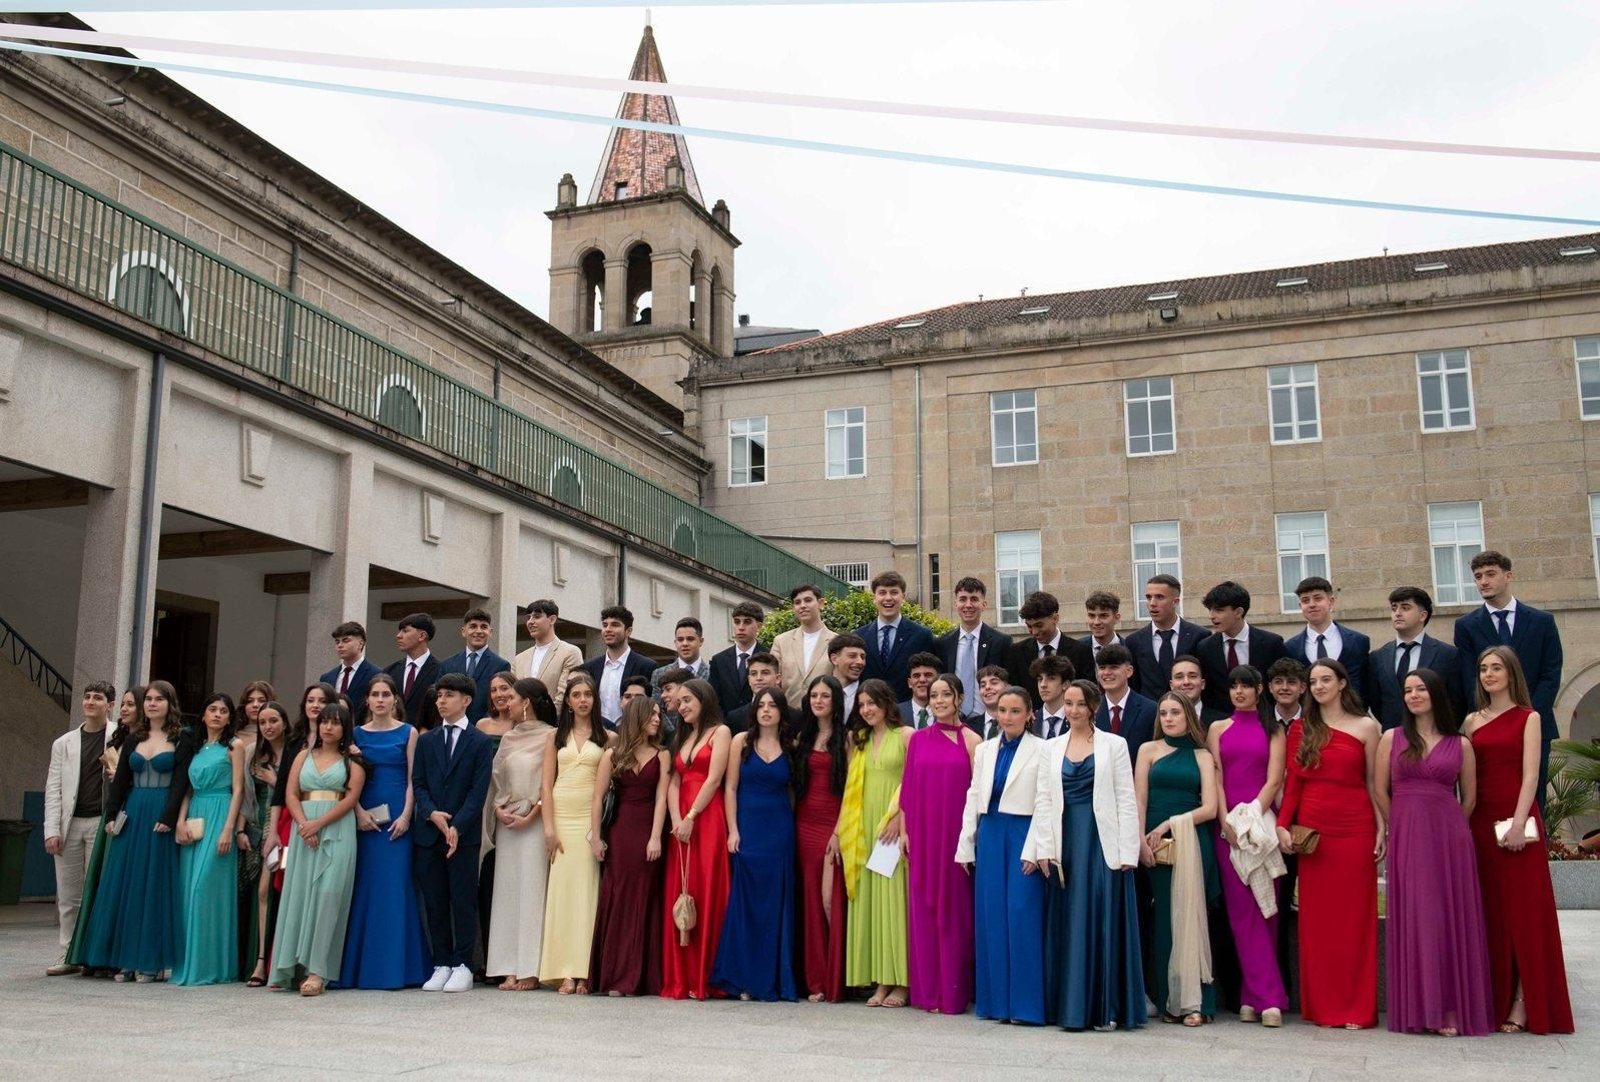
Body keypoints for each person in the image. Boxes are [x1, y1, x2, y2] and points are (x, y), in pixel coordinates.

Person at [1376, 667, 1493, 1037]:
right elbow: (1379, 790)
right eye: (1408, 690)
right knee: (1416, 916)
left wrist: (1450, 832)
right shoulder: (1390, 738)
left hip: (1449, 839)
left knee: (1447, 918)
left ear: (1436, 694)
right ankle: (1420, 1008)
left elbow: (1470, 799)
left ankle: (1449, 1007)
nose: (1413, 696)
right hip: (1407, 833)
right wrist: (1398, 825)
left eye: (1421, 689)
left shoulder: (1461, 744)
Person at [1463, 646, 1573, 1034]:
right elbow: (1467, 778)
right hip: (1480, 822)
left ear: (1511, 673)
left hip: (1519, 820)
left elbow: (1531, 776)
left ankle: (1524, 1001)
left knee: (1527, 914)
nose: (1489, 674)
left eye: (1496, 668)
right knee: (1491, 912)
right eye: (1483, 669)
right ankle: (1493, 996)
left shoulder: (1530, 718)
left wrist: (1518, 822)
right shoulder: (1471, 721)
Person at [1027, 678, 1144, 1032]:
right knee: (1070, 922)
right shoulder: (1050, 748)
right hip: (1066, 843)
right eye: (1069, 703)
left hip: (1102, 842)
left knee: (1102, 918)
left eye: (1081, 703)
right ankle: (1071, 1008)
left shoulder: (1115, 745)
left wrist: (1129, 851)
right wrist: (1044, 848)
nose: (1074, 710)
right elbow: (1044, 800)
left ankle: (1105, 1008)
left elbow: (1126, 797)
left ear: (1094, 707)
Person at [1275, 658, 1381, 1030]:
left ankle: (1356, 1007)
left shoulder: (1367, 727)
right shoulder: (1302, 728)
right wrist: (1282, 824)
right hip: (1314, 833)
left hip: (1356, 828)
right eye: (1313, 681)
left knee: (1355, 920)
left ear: (1341, 683)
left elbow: (1373, 782)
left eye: (1325, 680)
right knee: (1318, 924)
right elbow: (1294, 783)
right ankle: (1323, 1006)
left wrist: (1383, 827)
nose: (1318, 686)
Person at [82, 681, 191, 982]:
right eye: (149, 699)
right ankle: (126, 961)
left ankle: (149, 961)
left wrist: (169, 816)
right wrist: (113, 814)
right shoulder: (134, 738)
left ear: (171, 703)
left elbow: (182, 782)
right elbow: (120, 782)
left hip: (160, 812)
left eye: (159, 699)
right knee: (127, 884)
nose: (152, 704)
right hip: (133, 811)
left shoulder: (183, 737)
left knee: (153, 885)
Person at [957, 684, 1046, 1025]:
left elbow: (1046, 802)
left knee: (1022, 915)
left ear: (1029, 715)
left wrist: (1037, 848)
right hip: (991, 835)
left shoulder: (1043, 749)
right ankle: (995, 1003)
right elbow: (974, 795)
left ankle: (1026, 1006)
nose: (1006, 717)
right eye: (1002, 711)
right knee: (992, 917)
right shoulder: (985, 750)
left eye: (1015, 711)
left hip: (1024, 832)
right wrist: (966, 845)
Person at [1205, 666, 1288, 1028]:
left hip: (1262, 827)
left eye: (1246, 686)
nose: (1239, 692)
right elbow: (1216, 777)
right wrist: (1226, 823)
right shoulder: (1218, 729)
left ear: (1259, 690)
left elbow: (1274, 780)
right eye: (1233, 685)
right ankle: (1267, 998)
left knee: (1266, 909)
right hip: (1228, 832)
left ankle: (1255, 997)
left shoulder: (1275, 729)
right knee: (1241, 914)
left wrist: (1251, 818)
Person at [268, 702, 366, 995]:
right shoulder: (302, 756)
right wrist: (303, 825)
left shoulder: (354, 763)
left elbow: (350, 799)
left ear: (344, 728)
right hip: (303, 832)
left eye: (336, 723)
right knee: (297, 895)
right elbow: (290, 793)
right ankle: (287, 967)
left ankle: (318, 972)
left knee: (328, 899)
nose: (328, 727)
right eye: (325, 721)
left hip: (336, 830)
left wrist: (318, 824)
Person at [1454, 552, 1564, 811]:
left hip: (1535, 723)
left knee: (1532, 799)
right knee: (1489, 797)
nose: (1483, 581)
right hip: (1487, 730)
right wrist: (1490, 719)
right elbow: (1470, 678)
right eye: (1478, 577)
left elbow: (1551, 674)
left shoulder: (1542, 621)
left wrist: (1525, 718)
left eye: (1490, 574)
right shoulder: (1466, 626)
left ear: (1508, 576)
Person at [340, 673, 428, 990]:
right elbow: (346, 780)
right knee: (364, 888)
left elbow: (412, 780)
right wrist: (357, 811)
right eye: (374, 694)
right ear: (367, 700)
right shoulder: (356, 735)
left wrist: (407, 816)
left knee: (395, 889)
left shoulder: (409, 732)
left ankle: (398, 969)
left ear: (394, 700)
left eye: (385, 694)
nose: (379, 699)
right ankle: (360, 969)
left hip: (397, 823)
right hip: (363, 818)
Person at [1137, 692, 1220, 1025]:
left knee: (1192, 917)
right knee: (1164, 921)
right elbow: (1138, 799)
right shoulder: (1148, 750)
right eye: (1164, 713)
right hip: (1154, 844)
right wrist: (1140, 841)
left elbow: (1211, 808)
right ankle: (1171, 1000)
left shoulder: (1202, 755)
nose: (1169, 718)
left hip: (1190, 839)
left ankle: (1196, 1002)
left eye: (1175, 712)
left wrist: (1172, 823)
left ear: (1188, 715)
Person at [711, 687, 798, 1001]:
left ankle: (772, 978)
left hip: (779, 833)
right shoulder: (740, 741)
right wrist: (733, 831)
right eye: (760, 705)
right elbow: (730, 788)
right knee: (745, 906)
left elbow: (791, 794)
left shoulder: (791, 744)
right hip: (747, 829)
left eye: (772, 705)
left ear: (780, 711)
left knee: (775, 906)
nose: (766, 710)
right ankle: (744, 979)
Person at [900, 673, 980, 1014]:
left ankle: (954, 992)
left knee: (956, 912)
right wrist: (905, 831)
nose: (939, 700)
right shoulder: (917, 739)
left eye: (946, 694)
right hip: (922, 834)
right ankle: (927, 991)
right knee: (924, 909)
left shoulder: (973, 741)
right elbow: (908, 789)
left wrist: (971, 839)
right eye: (934, 695)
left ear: (959, 698)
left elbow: (978, 795)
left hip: (955, 837)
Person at [413, 671, 495, 993]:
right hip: (430, 832)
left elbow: (479, 790)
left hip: (464, 835)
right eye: (439, 695)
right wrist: (432, 814)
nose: (441, 701)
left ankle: (463, 963)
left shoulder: (479, 741)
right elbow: (418, 783)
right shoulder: (426, 740)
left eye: (448, 695)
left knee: (462, 900)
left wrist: (458, 825)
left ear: (466, 700)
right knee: (435, 900)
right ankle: (441, 962)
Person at [588, 695, 669, 996]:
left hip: (649, 829)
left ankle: (640, 977)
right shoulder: (612, 754)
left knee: (646, 900)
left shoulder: (662, 755)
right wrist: (596, 837)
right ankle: (615, 975)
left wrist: (656, 836)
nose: (658, 720)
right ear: (638, 716)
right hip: (620, 832)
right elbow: (597, 799)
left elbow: (662, 798)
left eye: (659, 715)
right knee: (618, 899)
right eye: (653, 715)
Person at [539, 671, 612, 993]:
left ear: (594, 700)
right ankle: (564, 970)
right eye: (577, 695)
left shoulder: (608, 738)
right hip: (561, 817)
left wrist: (598, 833)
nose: (583, 700)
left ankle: (586, 969)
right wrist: (549, 829)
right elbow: (545, 784)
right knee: (562, 896)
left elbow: (610, 788)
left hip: (589, 820)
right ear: (567, 702)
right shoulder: (554, 737)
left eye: (588, 695)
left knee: (587, 895)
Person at [840, 679, 910, 1008]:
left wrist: (899, 819)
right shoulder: (859, 739)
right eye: (862, 704)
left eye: (872, 703)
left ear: (886, 702)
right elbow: (851, 789)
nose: (866, 709)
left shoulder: (907, 736)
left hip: (892, 827)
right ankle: (879, 981)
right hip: (864, 828)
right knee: (870, 902)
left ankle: (900, 982)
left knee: (893, 902)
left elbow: (912, 782)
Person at [661, 678, 732, 1000]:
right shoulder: (683, 736)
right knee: (682, 891)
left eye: (688, 700)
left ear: (704, 699)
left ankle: (706, 975)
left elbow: (715, 779)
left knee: (706, 888)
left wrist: (691, 818)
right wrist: (676, 820)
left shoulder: (721, 732)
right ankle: (683, 976)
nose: (683, 706)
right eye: (681, 701)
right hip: (682, 823)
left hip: (707, 818)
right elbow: (674, 781)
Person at [484, 677, 557, 990]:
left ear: (526, 702)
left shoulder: (552, 736)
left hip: (534, 822)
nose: (505, 702)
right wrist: (499, 809)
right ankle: (507, 966)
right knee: (507, 894)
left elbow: (550, 782)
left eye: (511, 697)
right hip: (508, 822)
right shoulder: (508, 737)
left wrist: (534, 813)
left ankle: (530, 967)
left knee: (531, 892)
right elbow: (496, 780)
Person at [170, 693, 247, 986]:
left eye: (223, 711)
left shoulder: (234, 746)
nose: (217, 714)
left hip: (220, 813)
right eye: (212, 709)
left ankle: (212, 965)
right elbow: (188, 790)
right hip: (195, 816)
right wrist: (179, 822)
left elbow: (239, 789)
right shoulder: (197, 748)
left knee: (204, 890)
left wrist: (228, 828)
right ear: (203, 715)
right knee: (188, 892)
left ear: (230, 717)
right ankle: (190, 963)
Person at [64, 687, 142, 975]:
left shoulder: (146, 740)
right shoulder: (117, 738)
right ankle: (90, 954)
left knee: (116, 885)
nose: (124, 709)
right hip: (111, 815)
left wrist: (122, 774)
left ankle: (112, 955)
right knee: (97, 886)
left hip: (131, 814)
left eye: (131, 705)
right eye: (123, 704)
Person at [44, 680, 113, 975]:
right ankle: (68, 952)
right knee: (69, 892)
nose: (90, 702)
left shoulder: (118, 737)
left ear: (109, 704)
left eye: (98, 698)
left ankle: (95, 952)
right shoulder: (64, 743)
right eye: (87, 697)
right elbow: (53, 788)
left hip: (102, 820)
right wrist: (51, 830)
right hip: (70, 822)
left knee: (96, 887)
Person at [794, 674, 848, 1003]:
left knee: (830, 900)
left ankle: (835, 978)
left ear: (835, 700)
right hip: (802, 823)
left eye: (824, 696)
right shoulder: (804, 736)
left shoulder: (847, 739)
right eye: (813, 695)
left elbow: (851, 792)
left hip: (832, 824)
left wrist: (839, 832)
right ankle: (814, 979)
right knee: (809, 901)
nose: (818, 701)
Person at [474, 670, 522, 973]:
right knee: (486, 882)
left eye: (505, 688)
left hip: (518, 807)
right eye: (494, 690)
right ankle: (486, 960)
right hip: (486, 807)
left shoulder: (526, 727)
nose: (499, 694)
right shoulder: (481, 725)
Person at [1365, 586, 1466, 731]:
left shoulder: (1448, 654)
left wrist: (1441, 733)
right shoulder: (1377, 657)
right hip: (1394, 737)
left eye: (1405, 608)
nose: (1398, 613)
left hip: (1437, 736)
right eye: (1394, 609)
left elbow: (1457, 702)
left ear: (1423, 615)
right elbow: (1376, 702)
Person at [1195, 581, 1287, 718]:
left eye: (1219, 610)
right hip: (1222, 724)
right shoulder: (1205, 648)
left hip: (1264, 723)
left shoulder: (1271, 643)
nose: (1212, 616)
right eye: (1210, 610)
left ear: (1238, 612)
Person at [244, 700, 287, 987]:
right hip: (258, 825)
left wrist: (275, 780)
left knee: (272, 889)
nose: (268, 727)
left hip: (284, 824)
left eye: (273, 721)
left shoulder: (296, 751)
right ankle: (258, 958)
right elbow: (244, 794)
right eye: (263, 723)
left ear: (284, 722)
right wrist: (241, 829)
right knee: (258, 892)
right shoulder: (252, 753)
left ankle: (269, 960)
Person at [935, 576, 1013, 716]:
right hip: (953, 719)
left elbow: (1010, 684)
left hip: (990, 720)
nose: (968, 605)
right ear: (955, 603)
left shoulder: (1001, 642)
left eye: (974, 599)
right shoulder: (942, 644)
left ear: (984, 604)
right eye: (963, 599)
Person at [1123, 574, 1208, 698]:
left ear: (1175, 602)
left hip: (1189, 712)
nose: (1152, 603)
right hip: (1151, 714)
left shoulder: (1199, 636)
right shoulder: (1133, 641)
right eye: (1148, 597)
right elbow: (1134, 685)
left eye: (1159, 597)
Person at [855, 570, 935, 700]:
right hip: (869, 711)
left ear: (903, 597)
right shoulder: (859, 637)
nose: (888, 598)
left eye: (894, 592)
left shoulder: (921, 636)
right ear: (874, 597)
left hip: (907, 714)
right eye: (882, 593)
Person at [1007, 591, 1094, 707]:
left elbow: (1087, 693)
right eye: (1029, 626)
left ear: (1055, 618)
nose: (1034, 632)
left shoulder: (1081, 651)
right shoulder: (1016, 652)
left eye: (1039, 625)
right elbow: (1014, 693)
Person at [1285, 577, 1371, 695]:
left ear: (1331, 601)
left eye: (1318, 598)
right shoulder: (1290, 648)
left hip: (1351, 712)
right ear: (1300, 606)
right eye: (1305, 600)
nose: (1312, 604)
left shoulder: (1358, 642)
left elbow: (1366, 686)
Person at [579, 605, 656, 728]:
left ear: (628, 631)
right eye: (605, 625)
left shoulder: (646, 666)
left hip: (633, 734)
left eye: (615, 625)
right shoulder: (589, 668)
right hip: (596, 735)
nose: (608, 629)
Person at [438, 606, 512, 722]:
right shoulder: (447, 664)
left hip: (483, 731)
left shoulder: (500, 665)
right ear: (464, 631)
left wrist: (484, 726)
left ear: (490, 632)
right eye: (473, 626)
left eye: (483, 627)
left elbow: (500, 701)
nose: (478, 631)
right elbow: (439, 698)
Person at [770, 582, 837, 709]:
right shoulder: (781, 641)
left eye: (808, 600)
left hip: (824, 715)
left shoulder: (836, 641)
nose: (803, 606)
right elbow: (773, 680)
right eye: (797, 602)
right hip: (789, 715)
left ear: (821, 603)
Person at [511, 598, 583, 709]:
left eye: (537, 616)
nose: (530, 621)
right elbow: (513, 695)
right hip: (521, 723)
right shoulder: (519, 658)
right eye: (528, 617)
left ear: (552, 619)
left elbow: (564, 696)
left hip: (554, 723)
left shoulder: (570, 652)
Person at [1092, 644, 1157, 761]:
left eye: (1114, 667)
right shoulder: (1090, 710)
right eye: (1102, 667)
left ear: (1129, 671)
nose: (1106, 672)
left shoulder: (1151, 710)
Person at [384, 613, 441, 730]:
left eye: (405, 631)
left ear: (422, 636)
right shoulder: (390, 671)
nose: (398, 636)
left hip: (425, 738)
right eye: (399, 631)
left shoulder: (441, 671)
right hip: (393, 737)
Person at [708, 600, 765, 714]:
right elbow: (713, 699)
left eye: (747, 622)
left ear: (759, 626)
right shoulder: (719, 661)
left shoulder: (769, 657)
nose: (741, 627)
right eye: (737, 622)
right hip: (726, 726)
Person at [320, 621, 379, 723]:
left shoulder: (376, 674)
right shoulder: (327, 677)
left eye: (346, 641)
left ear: (360, 643)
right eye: (337, 642)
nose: (340, 645)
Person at [652, 617, 711, 709]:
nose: (684, 644)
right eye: (680, 639)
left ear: (701, 641)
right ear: (675, 642)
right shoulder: (659, 674)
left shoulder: (713, 674)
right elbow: (657, 708)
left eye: (690, 639)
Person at [722, 651, 782, 736]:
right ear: (749, 680)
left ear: (778, 678)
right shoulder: (734, 718)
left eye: (765, 673)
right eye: (754, 674)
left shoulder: (795, 717)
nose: (759, 678)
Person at [1170, 654, 1229, 728]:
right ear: (1171, 685)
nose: (1186, 682)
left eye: (1192, 676)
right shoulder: (1159, 721)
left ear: (1202, 684)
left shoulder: (1223, 722)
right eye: (1179, 677)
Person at [1031, 654, 1075, 740]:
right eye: (1040, 679)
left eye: (1051, 678)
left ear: (1065, 684)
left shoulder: (1078, 718)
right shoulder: (1030, 721)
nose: (1043, 685)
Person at [1081, 589, 1125, 673]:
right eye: (1091, 616)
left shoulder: (1131, 649)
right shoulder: (1076, 650)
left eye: (1103, 616)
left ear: (1116, 618)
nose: (1096, 622)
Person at [829, 632, 868, 719]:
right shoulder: (815, 696)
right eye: (852, 656)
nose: (860, 662)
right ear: (834, 659)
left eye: (862, 657)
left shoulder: (872, 697)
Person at [898, 651, 942, 729]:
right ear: (909, 683)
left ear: (938, 680)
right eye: (916, 676)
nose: (922, 680)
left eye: (928, 675)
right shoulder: (895, 713)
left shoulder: (949, 712)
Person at [973, 664, 1010, 739]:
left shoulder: (1020, 723)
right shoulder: (968, 727)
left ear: (1007, 687)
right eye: (982, 685)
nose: (987, 687)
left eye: (994, 683)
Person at [237, 679, 274, 749]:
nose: (255, 705)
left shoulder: (279, 737)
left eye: (262, 700)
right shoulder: (232, 737)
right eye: (250, 701)